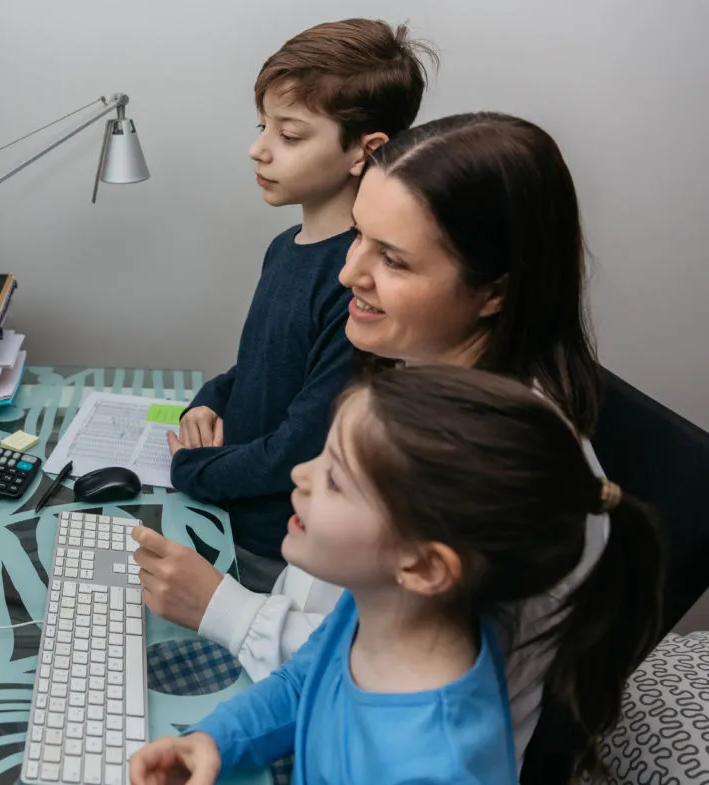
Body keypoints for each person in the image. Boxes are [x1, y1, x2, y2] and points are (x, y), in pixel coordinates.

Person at [135, 112, 607, 768]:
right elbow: (339, 652)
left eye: (393, 258)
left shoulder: (488, 466)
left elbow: (389, 677)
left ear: (493, 291)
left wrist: (221, 607)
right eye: (359, 234)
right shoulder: (405, 380)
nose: (347, 272)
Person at [130, 366, 664, 785]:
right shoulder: (371, 612)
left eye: (335, 478)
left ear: (423, 565)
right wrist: (214, 741)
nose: (300, 473)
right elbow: (301, 684)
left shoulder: (438, 764)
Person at [167, 19, 437, 591]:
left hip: (271, 547)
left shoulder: (358, 286)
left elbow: (302, 444)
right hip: (224, 503)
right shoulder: (283, 249)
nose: (257, 149)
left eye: (289, 135)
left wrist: (191, 470)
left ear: (367, 151)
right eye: (262, 126)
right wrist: (209, 399)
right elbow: (266, 364)